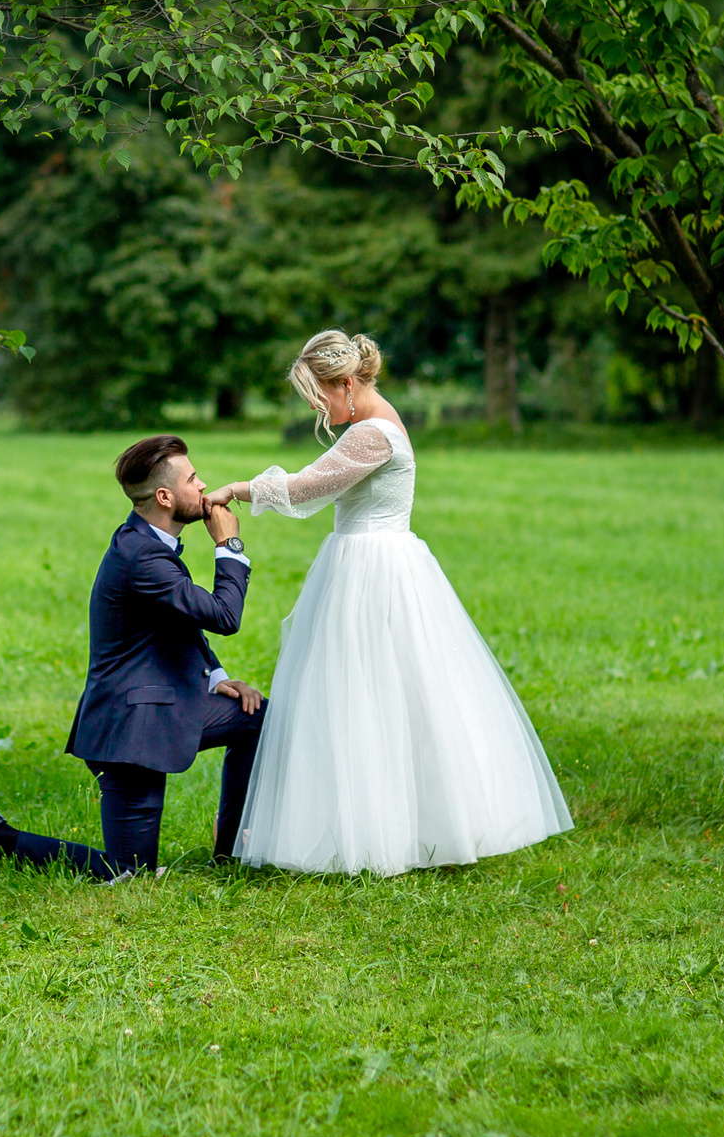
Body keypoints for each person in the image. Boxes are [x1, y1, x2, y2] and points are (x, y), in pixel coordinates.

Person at [207, 329, 571, 876]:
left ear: (347, 384)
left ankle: (390, 831)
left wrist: (236, 490)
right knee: (358, 692)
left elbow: (308, 486)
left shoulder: (373, 434)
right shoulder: (371, 424)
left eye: (320, 397)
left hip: (374, 569)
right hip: (362, 561)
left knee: (375, 691)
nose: (318, 409)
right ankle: (363, 820)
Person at [0, 434, 266, 879]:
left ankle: (230, 853)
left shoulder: (148, 542)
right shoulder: (142, 557)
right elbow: (224, 615)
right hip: (129, 729)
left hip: (158, 707)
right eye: (193, 478)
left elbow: (176, 620)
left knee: (256, 717)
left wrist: (216, 677)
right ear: (165, 496)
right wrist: (229, 548)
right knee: (128, 873)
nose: (203, 484)